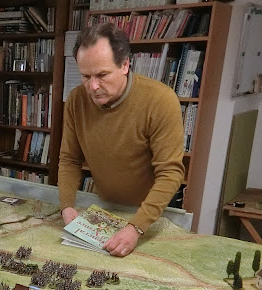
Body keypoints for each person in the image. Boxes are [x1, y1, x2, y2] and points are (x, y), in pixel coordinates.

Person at [58, 22, 185, 257]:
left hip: (152, 213)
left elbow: (170, 173)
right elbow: (69, 160)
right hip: (106, 206)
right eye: (85, 76)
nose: (93, 86)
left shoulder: (161, 101)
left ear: (125, 65)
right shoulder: (76, 100)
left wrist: (136, 227)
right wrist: (67, 206)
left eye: (102, 75)